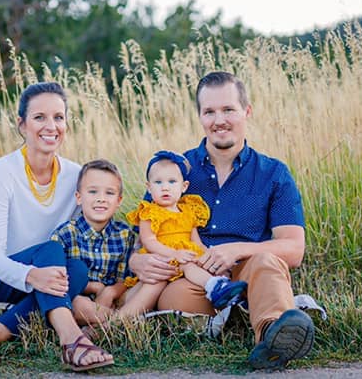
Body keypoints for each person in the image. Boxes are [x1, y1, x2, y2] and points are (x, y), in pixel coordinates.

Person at [128, 71, 314, 370]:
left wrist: (237, 250)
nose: (219, 120)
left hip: (248, 270)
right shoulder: (175, 170)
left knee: (267, 263)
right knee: (171, 296)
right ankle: (242, 315)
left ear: (246, 111)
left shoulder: (273, 173)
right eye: (209, 112)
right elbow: (141, 238)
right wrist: (137, 261)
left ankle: (271, 336)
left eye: (228, 109)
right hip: (192, 277)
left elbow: (293, 249)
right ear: (200, 117)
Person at [0, 82, 114, 372]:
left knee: (78, 271)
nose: (51, 126)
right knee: (51, 250)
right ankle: (72, 340)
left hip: (31, 281)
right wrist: (33, 275)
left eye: (59, 117)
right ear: (21, 125)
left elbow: (102, 220)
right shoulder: (2, 172)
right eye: (39, 118)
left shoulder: (75, 175)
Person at [118, 150, 248, 318]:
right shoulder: (149, 212)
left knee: (196, 264)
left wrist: (208, 259)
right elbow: (148, 241)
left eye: (172, 182)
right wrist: (174, 253)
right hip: (162, 257)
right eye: (158, 182)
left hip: (184, 255)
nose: (165, 187)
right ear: (149, 188)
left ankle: (225, 290)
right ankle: (214, 287)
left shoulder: (188, 210)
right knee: (182, 269)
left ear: (184, 186)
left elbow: (197, 243)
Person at [49, 159, 137, 323]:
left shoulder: (125, 235)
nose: (101, 199)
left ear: (119, 201)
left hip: (113, 299)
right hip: (78, 299)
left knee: (138, 291)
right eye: (93, 192)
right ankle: (116, 322)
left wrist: (110, 292)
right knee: (76, 304)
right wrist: (94, 287)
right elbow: (56, 281)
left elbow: (124, 280)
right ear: (79, 197)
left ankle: (104, 322)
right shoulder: (65, 234)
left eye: (109, 193)